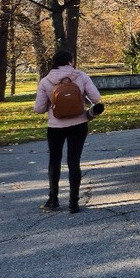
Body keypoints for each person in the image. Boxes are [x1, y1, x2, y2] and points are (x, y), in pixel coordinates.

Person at [33, 50, 101, 214]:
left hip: (55, 127)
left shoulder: (46, 81)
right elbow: (96, 98)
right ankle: (73, 202)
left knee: (54, 161)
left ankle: (53, 199)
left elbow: (39, 109)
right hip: (79, 124)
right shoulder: (81, 76)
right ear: (70, 62)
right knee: (73, 162)